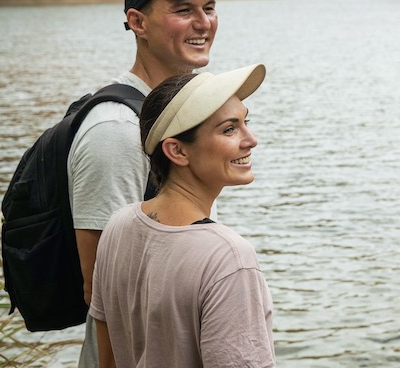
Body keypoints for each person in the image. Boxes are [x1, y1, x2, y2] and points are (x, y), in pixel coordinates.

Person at [69, 0, 233, 367]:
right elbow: (104, 291)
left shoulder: (177, 115)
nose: (204, 23)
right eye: (183, 10)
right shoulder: (116, 132)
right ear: (138, 22)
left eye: (209, 8)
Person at [89, 65, 275, 368]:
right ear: (177, 151)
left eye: (245, 122)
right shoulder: (228, 258)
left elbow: (107, 357)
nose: (250, 139)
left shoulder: (118, 226)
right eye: (229, 129)